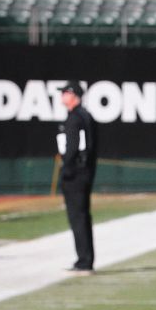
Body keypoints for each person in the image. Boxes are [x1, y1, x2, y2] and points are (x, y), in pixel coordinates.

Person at [56, 81, 98, 275]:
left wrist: (67, 170)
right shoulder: (86, 116)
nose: (62, 96)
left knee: (78, 217)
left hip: (76, 173)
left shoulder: (75, 118)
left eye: (65, 93)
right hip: (85, 171)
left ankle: (84, 261)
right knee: (83, 217)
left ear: (73, 95)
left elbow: (72, 148)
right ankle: (85, 259)